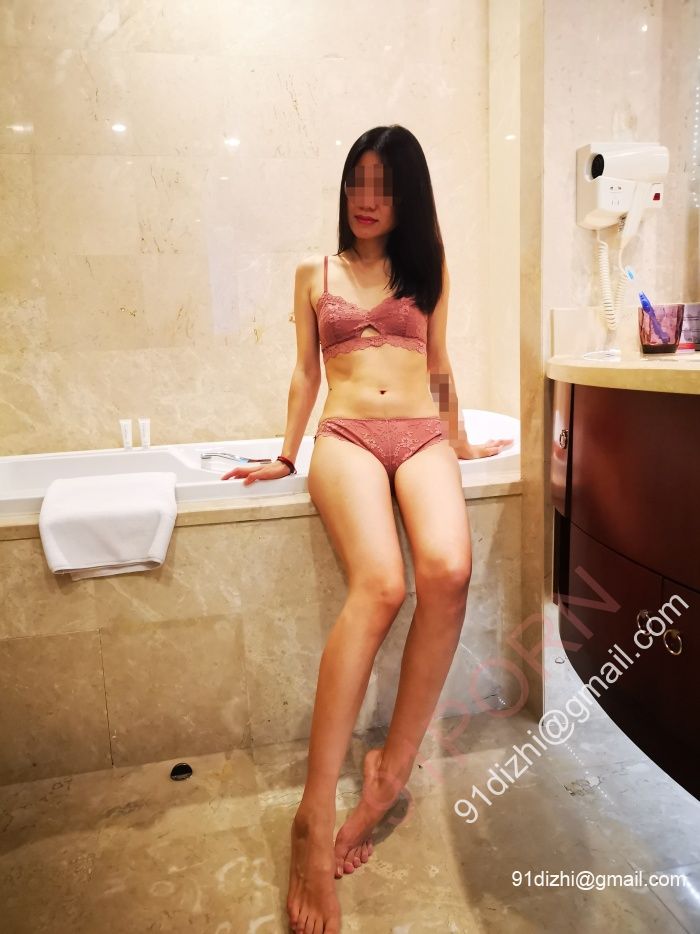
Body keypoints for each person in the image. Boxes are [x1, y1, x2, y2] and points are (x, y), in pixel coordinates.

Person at [221, 125, 512, 934]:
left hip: (419, 434)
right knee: (381, 585)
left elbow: (440, 364)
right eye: (357, 179)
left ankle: (389, 771)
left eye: (383, 184)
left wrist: (458, 440)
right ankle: (314, 815)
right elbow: (306, 371)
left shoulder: (429, 267)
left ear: (406, 195)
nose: (366, 198)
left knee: (447, 570)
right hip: (347, 435)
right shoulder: (314, 272)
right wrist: (285, 454)